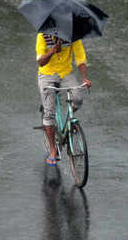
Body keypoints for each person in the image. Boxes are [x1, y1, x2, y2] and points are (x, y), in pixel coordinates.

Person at [36, 33, 91, 166]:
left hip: (66, 73)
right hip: (47, 74)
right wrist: (53, 50)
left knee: (77, 99)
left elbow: (80, 57)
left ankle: (67, 125)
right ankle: (53, 150)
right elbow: (41, 61)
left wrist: (84, 77)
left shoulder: (72, 35)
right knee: (49, 114)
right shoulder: (42, 35)